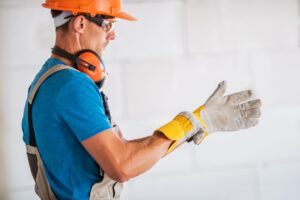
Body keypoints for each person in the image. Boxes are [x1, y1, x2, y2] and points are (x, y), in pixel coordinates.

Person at [21, 0, 262, 199]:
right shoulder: (72, 86)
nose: (112, 34)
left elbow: (127, 154)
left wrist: (197, 124)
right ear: (80, 23)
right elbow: (123, 165)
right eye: (107, 24)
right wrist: (190, 122)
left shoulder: (46, 79)